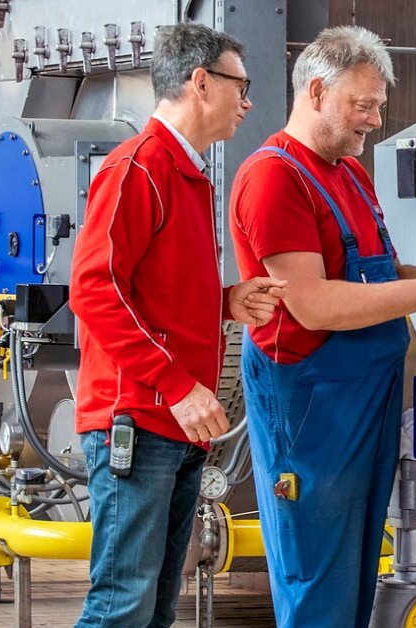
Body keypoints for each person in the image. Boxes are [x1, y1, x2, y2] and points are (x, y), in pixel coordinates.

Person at [227, 25, 416, 626]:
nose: (373, 121)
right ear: (316, 91)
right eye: (363, 105)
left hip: (365, 393)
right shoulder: (275, 178)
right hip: (312, 405)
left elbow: (375, 270)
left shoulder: (347, 172)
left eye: (378, 106)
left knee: (357, 563)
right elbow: (314, 303)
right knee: (316, 568)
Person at [67, 22, 282, 628]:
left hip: (176, 422)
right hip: (140, 417)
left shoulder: (185, 174)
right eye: (241, 86)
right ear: (200, 82)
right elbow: (93, 289)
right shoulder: (137, 168)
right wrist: (177, 385)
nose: (248, 102)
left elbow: (151, 289)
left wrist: (225, 302)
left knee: (155, 605)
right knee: (122, 606)